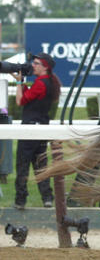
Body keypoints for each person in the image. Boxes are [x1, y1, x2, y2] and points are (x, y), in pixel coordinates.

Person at [11, 53, 60, 210]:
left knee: (23, 165)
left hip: (30, 129)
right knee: (41, 166)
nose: (33, 65)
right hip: (41, 128)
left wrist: (18, 82)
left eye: (36, 63)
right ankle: (47, 198)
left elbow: (20, 101)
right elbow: (30, 97)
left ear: (45, 67)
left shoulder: (40, 83)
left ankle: (20, 200)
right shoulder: (49, 82)